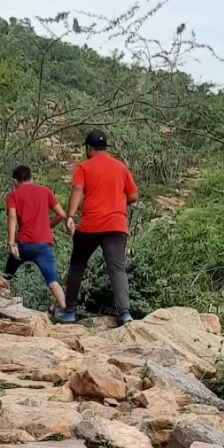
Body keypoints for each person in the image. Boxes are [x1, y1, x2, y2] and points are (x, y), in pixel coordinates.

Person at [58, 130, 138, 326]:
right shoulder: (120, 167)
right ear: (105, 147)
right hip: (117, 225)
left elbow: (77, 190)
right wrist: (117, 205)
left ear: (88, 148)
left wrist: (70, 216)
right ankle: (125, 314)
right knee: (117, 268)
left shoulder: (84, 167)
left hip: (90, 225)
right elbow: (134, 196)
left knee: (77, 265)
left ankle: (69, 312)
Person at [5, 165, 67, 313]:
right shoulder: (45, 191)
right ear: (31, 178)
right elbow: (62, 215)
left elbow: (12, 217)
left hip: (23, 244)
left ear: (16, 181)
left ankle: (4, 307)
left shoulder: (13, 195)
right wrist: (48, 227)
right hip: (43, 245)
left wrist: (11, 242)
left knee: (7, 277)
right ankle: (68, 313)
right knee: (52, 282)